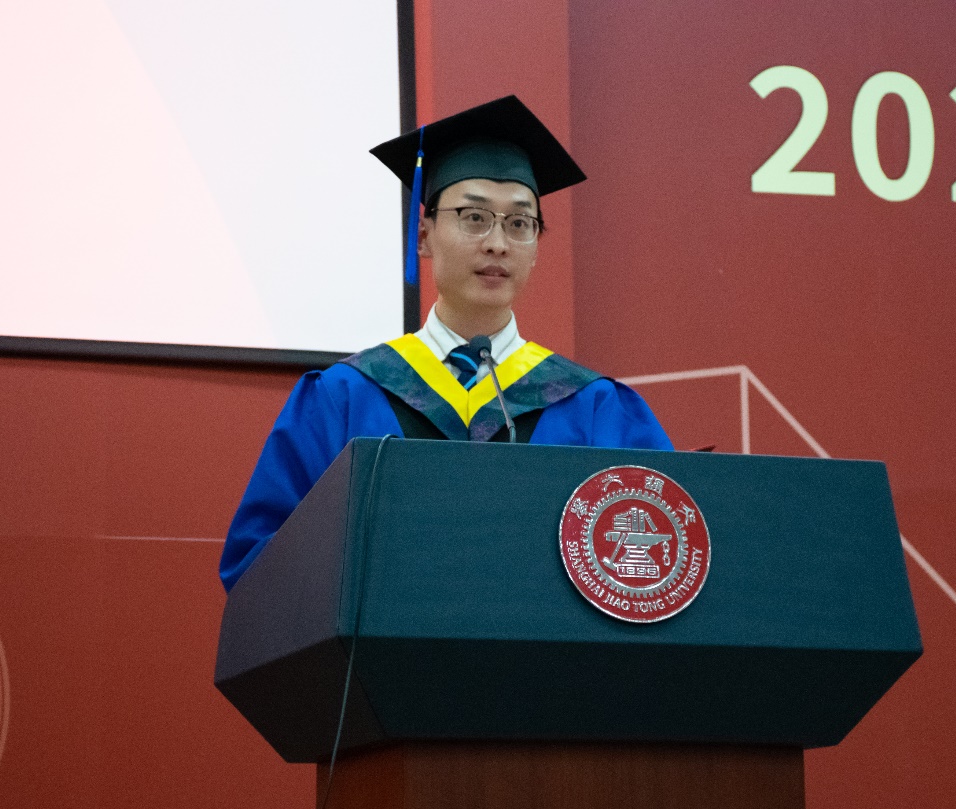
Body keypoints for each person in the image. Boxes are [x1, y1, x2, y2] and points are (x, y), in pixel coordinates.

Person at [219, 96, 672, 591]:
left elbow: (659, 568)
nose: (497, 242)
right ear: (423, 236)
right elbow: (259, 566)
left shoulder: (594, 407)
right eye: (474, 217)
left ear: (537, 248)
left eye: (520, 223)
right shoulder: (343, 396)